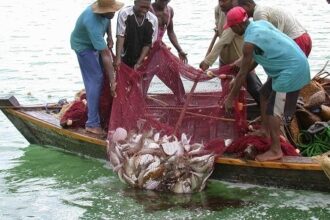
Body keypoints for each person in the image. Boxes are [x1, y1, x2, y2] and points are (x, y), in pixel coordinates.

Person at [223, 7, 310, 161]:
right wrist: (236, 81)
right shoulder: (259, 24)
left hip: (291, 70)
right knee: (264, 93)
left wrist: (230, 98)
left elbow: (243, 72)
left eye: (231, 28)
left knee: (272, 110)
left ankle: (276, 150)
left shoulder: (249, 43)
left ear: (238, 26)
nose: (232, 31)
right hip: (294, 64)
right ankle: (265, 131)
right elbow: (253, 63)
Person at [70, 0, 123, 135]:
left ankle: (98, 112)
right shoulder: (91, 22)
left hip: (96, 42)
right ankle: (92, 123)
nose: (113, 12)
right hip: (83, 46)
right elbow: (105, 55)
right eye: (110, 11)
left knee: (103, 74)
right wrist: (113, 81)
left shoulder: (106, 13)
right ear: (101, 11)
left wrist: (110, 36)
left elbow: (107, 20)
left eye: (114, 10)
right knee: (96, 79)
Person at [200, 0, 262, 104]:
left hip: (239, 59)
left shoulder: (236, 14)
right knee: (226, 88)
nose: (221, 4)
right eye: (219, 1)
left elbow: (224, 40)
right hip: (224, 59)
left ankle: (269, 110)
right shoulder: (219, 9)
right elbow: (218, 24)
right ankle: (229, 111)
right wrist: (217, 28)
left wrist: (207, 61)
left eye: (224, 1)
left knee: (253, 87)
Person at [236, 0, 312, 57]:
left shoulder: (258, 14)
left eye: (240, 9)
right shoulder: (264, 8)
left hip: (296, 40)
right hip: (304, 37)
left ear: (248, 5)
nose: (240, 12)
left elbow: (265, 42)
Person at [115, 0, 158, 70]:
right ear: (135, 2)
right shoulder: (125, 13)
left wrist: (139, 62)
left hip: (142, 56)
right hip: (125, 53)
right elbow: (120, 36)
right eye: (142, 7)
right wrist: (118, 58)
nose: (144, 10)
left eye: (147, 8)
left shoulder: (153, 20)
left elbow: (148, 44)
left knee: (138, 78)